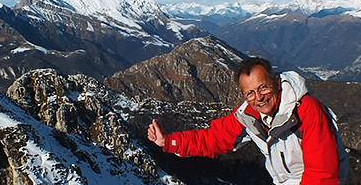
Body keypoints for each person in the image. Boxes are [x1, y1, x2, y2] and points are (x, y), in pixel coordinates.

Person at [147, 57, 348, 185]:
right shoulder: (249, 115)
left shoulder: (306, 111)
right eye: (250, 93)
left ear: (276, 82)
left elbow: (322, 174)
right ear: (243, 95)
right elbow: (214, 138)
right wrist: (169, 142)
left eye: (263, 87)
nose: (258, 97)